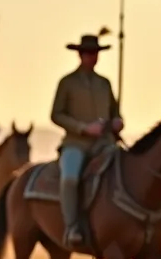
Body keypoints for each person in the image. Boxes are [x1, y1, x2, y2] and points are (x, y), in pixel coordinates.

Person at [50, 33, 124, 247]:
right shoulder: (67, 82)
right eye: (88, 53)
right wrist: (83, 128)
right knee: (70, 178)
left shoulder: (105, 83)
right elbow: (56, 114)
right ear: (80, 55)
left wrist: (118, 122)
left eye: (95, 53)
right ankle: (72, 226)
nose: (92, 57)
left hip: (105, 143)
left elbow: (115, 112)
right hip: (76, 144)